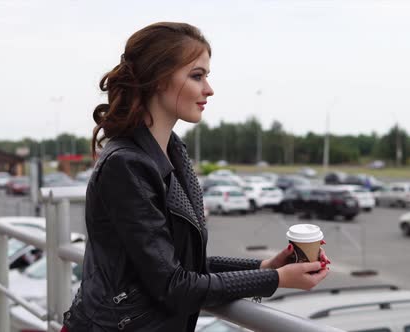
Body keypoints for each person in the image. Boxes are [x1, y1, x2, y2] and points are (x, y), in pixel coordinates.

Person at [62, 22, 330, 332]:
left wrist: (264, 266)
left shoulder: (170, 152)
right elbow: (174, 285)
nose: (209, 89)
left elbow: (179, 267)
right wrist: (277, 279)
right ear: (158, 79)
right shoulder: (126, 165)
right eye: (197, 76)